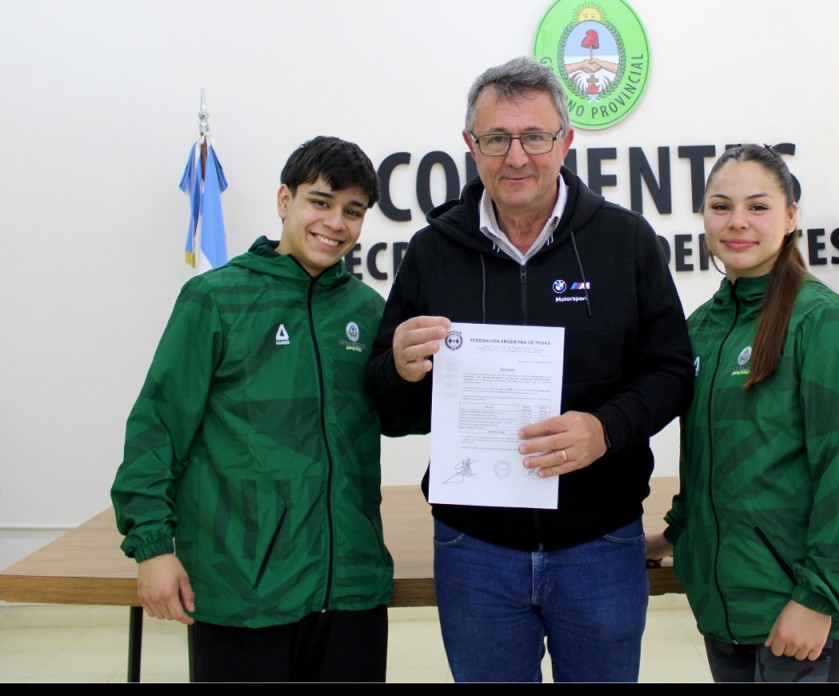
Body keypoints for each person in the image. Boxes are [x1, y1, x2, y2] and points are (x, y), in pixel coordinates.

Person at [365, 55, 694, 683]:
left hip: (600, 543)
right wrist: (400, 371)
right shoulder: (432, 252)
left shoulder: (626, 241)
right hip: (475, 551)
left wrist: (606, 429)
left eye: (534, 137)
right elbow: (391, 409)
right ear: (471, 146)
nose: (516, 157)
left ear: (565, 142)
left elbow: (672, 372)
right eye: (496, 139)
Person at [110, 136, 393, 683]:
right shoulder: (216, 298)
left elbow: (400, 417)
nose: (336, 223)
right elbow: (156, 428)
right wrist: (151, 548)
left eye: (353, 211)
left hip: (351, 590)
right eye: (321, 201)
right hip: (242, 590)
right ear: (284, 200)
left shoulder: (367, 310)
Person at [645, 144, 839, 683]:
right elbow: (710, 461)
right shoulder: (702, 327)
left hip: (801, 614)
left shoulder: (823, 324)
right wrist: (676, 534)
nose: (737, 223)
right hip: (727, 608)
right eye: (720, 206)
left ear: (791, 216)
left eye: (757, 207)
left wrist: (818, 600)